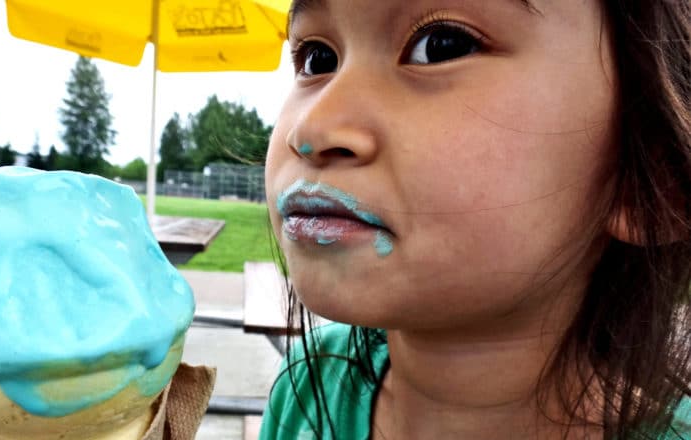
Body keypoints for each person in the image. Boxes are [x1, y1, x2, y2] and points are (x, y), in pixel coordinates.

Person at [259, 0, 691, 439]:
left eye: (443, 46)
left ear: (652, 185)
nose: (312, 130)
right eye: (317, 58)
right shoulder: (306, 386)